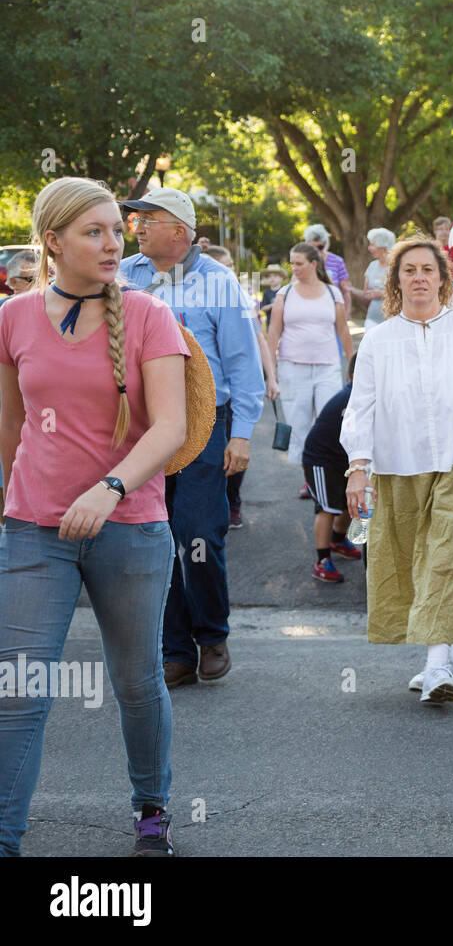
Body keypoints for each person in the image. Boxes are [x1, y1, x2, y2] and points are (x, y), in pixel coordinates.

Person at [0, 176, 189, 855]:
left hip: (131, 527)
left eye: (117, 230)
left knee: (137, 681)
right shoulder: (13, 316)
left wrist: (108, 489)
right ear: (53, 242)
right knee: (19, 691)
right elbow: (11, 423)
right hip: (33, 530)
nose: (115, 243)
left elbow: (169, 428)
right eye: (95, 232)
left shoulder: (147, 315)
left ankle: (150, 807)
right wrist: (10, 507)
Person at [340, 238, 453, 705]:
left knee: (448, 555)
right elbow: (361, 409)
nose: (418, 278)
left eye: (427, 270)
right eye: (408, 270)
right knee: (413, 561)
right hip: (398, 468)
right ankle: (449, 649)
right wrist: (359, 468)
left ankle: (436, 667)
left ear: (443, 278)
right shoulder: (378, 339)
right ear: (395, 280)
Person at [119, 187, 264, 690]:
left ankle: (212, 634)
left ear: (179, 230)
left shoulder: (221, 283)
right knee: (153, 536)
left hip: (205, 420)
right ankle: (175, 650)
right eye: (134, 218)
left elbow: (245, 366)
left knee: (199, 534)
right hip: (141, 423)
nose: (135, 225)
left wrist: (241, 435)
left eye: (147, 218)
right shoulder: (124, 275)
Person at [205, 247, 279, 528]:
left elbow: (259, 340)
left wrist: (270, 377)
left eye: (231, 265)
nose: (229, 271)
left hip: (234, 389)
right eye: (222, 266)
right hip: (207, 393)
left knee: (233, 447)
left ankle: (233, 501)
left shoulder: (243, 300)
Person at [268, 242, 353, 476]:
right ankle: (310, 478)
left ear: (314, 264)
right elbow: (274, 331)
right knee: (299, 426)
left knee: (329, 423)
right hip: (292, 368)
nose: (294, 268)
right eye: (292, 263)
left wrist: (352, 363)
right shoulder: (285, 293)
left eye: (299, 263)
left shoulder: (332, 292)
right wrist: (270, 370)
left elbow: (343, 330)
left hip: (327, 368)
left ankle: (326, 471)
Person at [303, 355, 362, 582]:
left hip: (342, 460)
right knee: (327, 508)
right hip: (321, 459)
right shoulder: (350, 398)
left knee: (349, 506)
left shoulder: (364, 396)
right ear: (354, 376)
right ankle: (322, 560)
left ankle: (337, 540)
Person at [303, 224, 352, 312]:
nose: (317, 251)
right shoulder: (302, 261)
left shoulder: (337, 261)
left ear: (326, 243)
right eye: (312, 247)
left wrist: (347, 312)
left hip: (331, 309)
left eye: (320, 247)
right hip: (307, 308)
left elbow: (345, 291)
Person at [358, 228, 396, 332]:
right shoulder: (372, 266)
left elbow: (404, 293)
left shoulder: (396, 267)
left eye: (372, 245)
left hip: (392, 320)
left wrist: (381, 294)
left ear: (383, 246)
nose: (369, 248)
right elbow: (365, 293)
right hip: (372, 320)